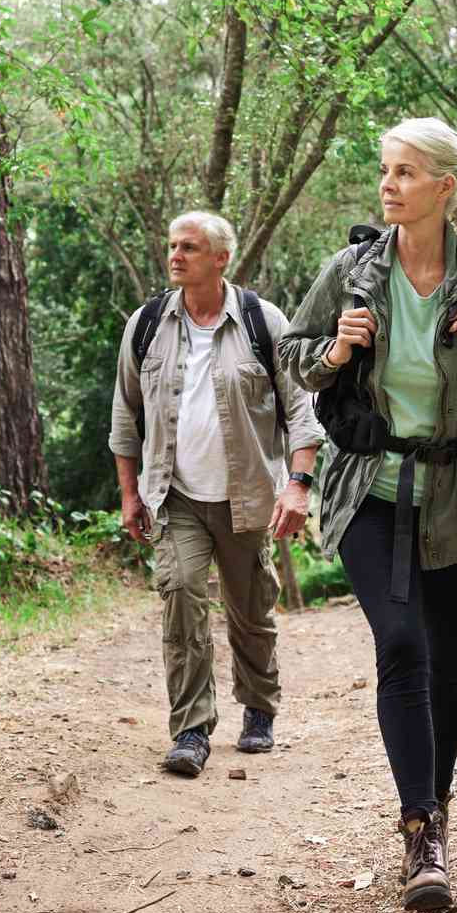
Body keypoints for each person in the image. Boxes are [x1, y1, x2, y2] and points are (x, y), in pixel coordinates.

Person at [278, 118, 457, 910]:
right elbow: (293, 355)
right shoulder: (352, 271)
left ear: (443, 186)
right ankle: (418, 826)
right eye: (384, 171)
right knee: (401, 645)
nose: (388, 185)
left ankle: (436, 823)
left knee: (445, 658)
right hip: (369, 489)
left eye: (404, 173)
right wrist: (334, 351)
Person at [109, 211, 325, 778]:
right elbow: (125, 418)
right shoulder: (148, 322)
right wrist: (130, 495)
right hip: (173, 494)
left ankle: (258, 708)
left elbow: (302, 412)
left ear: (221, 257)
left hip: (247, 494)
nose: (175, 255)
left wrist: (298, 487)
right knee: (181, 593)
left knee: (250, 610)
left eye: (189, 246)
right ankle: (190, 729)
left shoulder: (263, 321)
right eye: (172, 245)